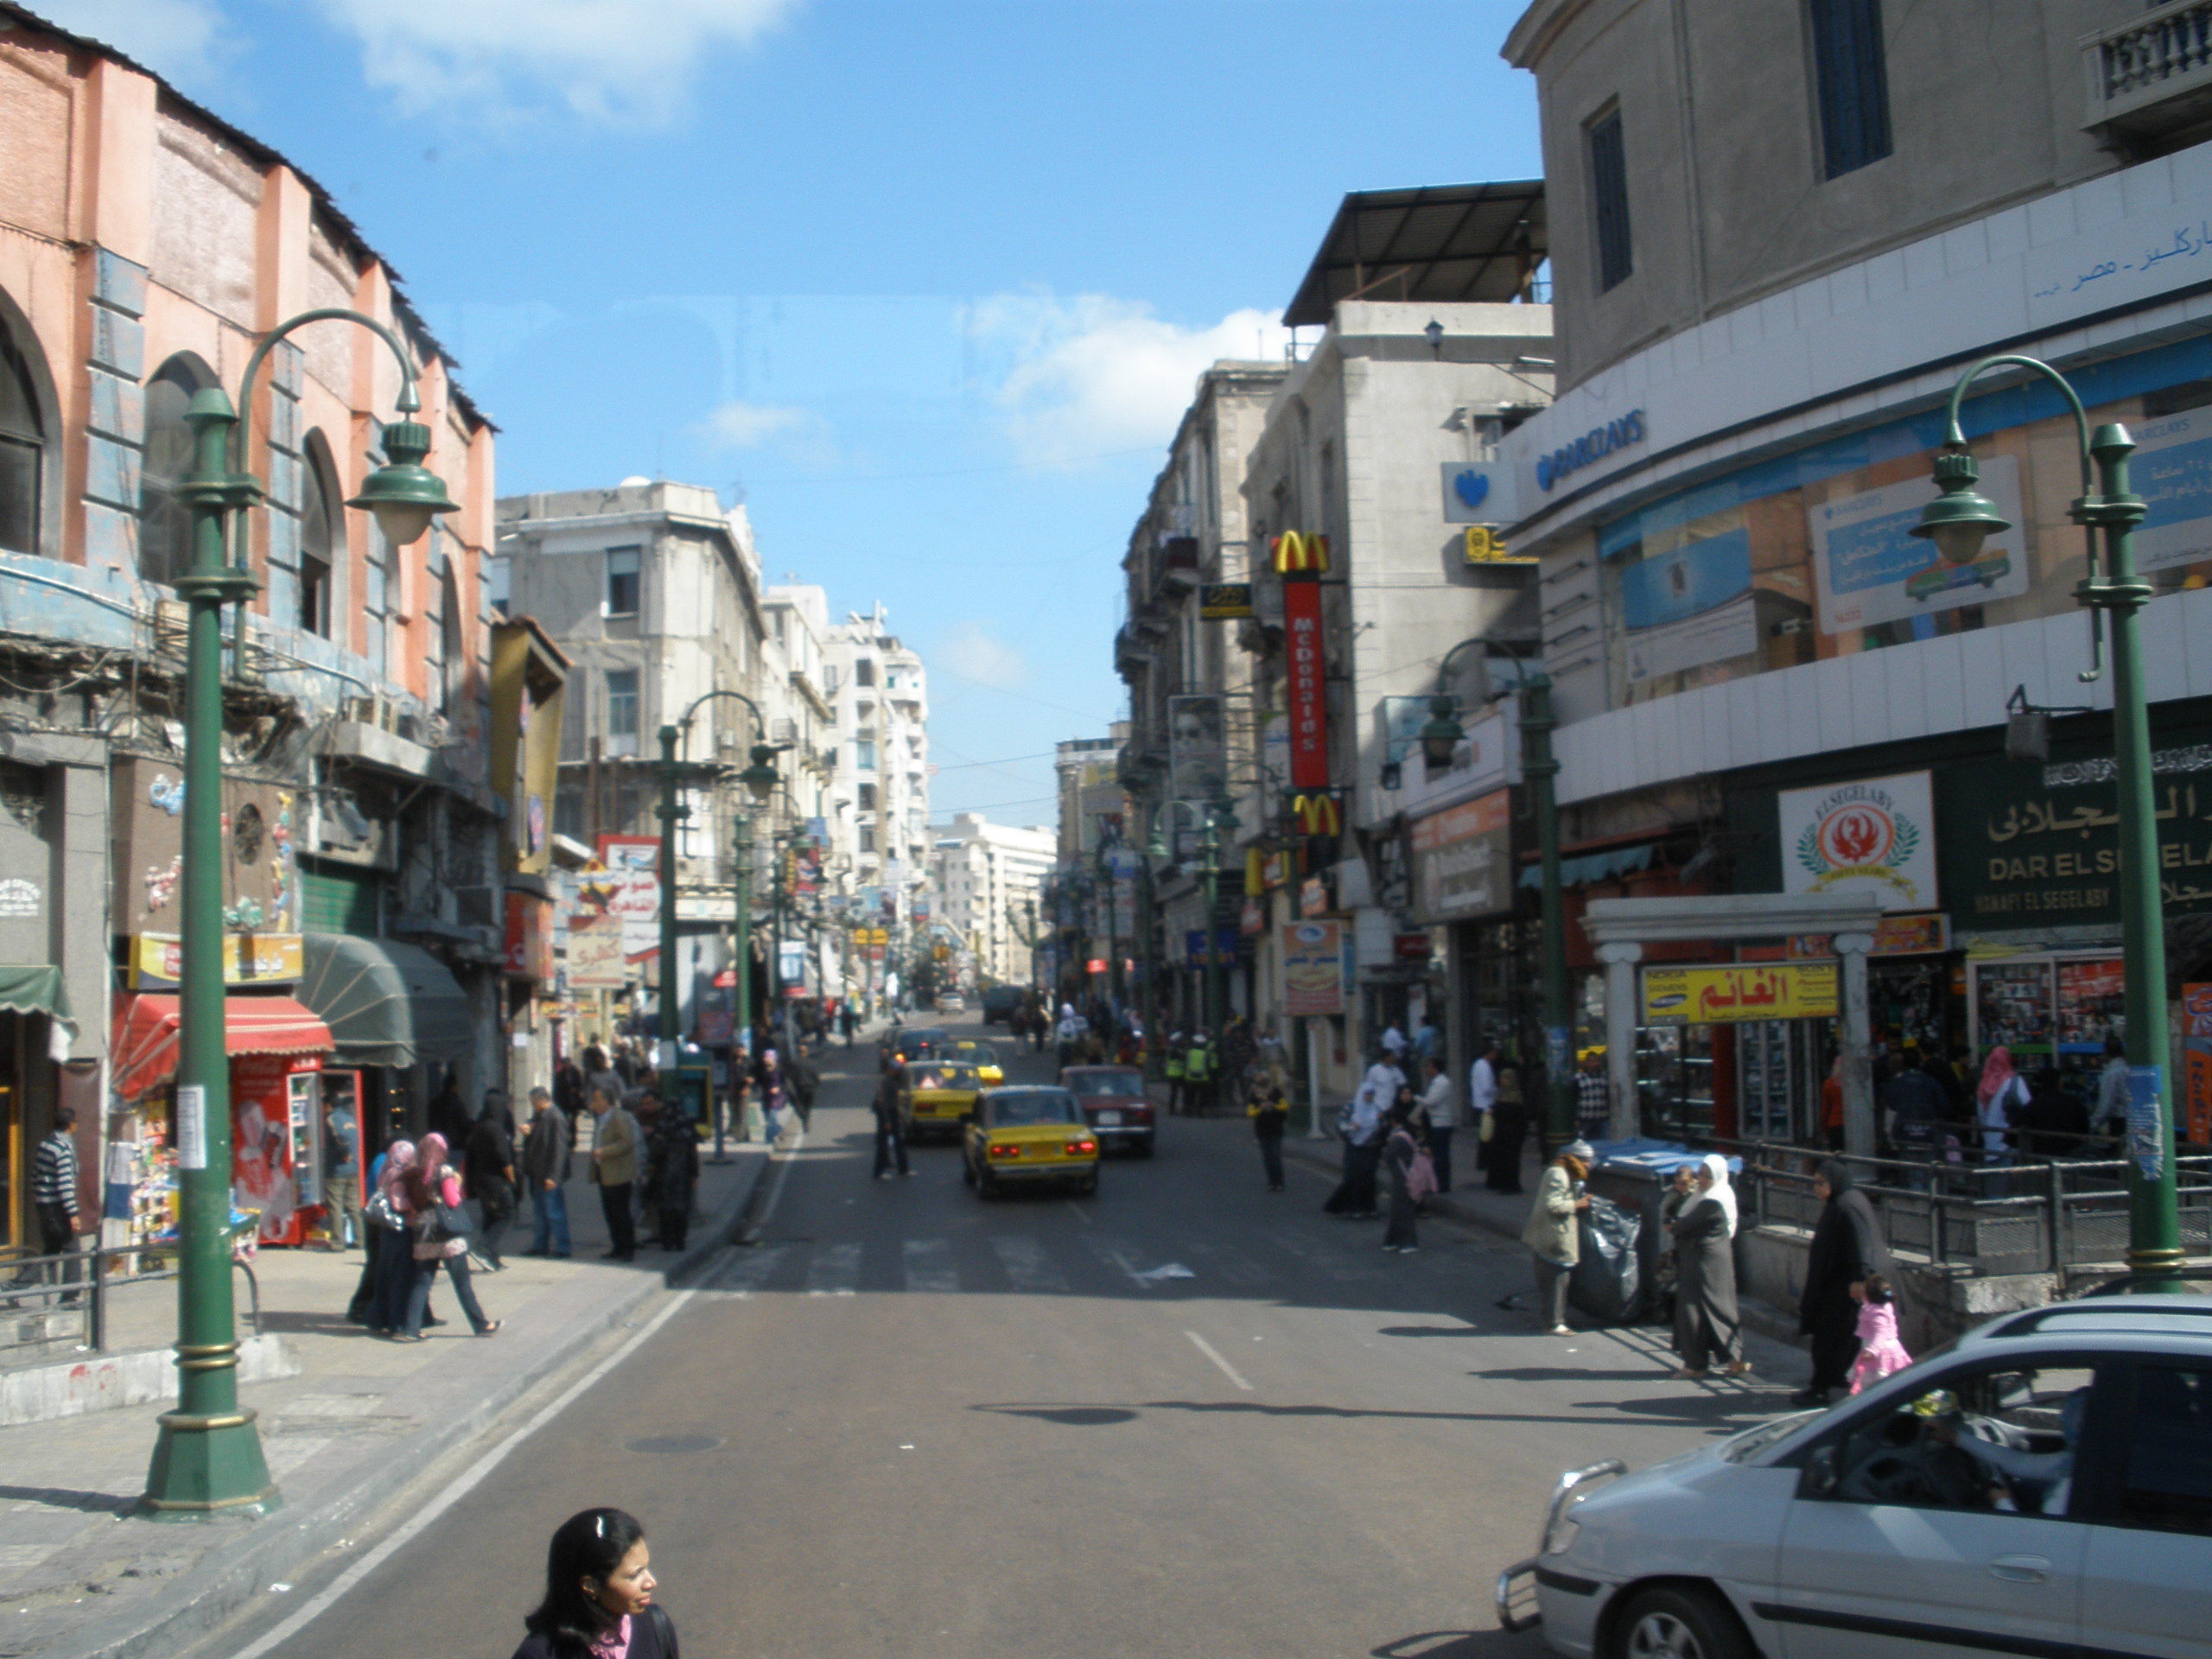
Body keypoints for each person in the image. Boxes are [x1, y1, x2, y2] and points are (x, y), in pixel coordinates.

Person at [512, 1507, 677, 1659]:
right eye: (635, 1575)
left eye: (646, 1568)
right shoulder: (540, 1654)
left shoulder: (655, 1626)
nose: (651, 1582)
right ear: (590, 1586)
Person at [1794, 1157, 1892, 1407]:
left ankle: (1820, 1389)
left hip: (1844, 1289)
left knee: (1828, 1340)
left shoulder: (1847, 1206)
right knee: (1843, 1339)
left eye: (1821, 1183)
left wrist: (1860, 1278)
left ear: (1835, 1181)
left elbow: (1861, 1244)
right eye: (1814, 1183)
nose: (1816, 1188)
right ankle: (1837, 1378)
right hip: (1838, 1285)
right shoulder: (1842, 1202)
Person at [399, 1132, 500, 1340]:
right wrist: (457, 1183)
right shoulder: (443, 1171)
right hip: (448, 1235)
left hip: (424, 1234)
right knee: (463, 1284)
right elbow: (453, 1201)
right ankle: (481, 1324)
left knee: (422, 1283)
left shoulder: (413, 1173)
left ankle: (411, 1328)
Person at [1672, 1153, 1747, 1378]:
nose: (1701, 1180)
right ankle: (1735, 1359)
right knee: (1720, 1308)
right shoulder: (1715, 1195)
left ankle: (1696, 1365)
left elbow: (1683, 1225)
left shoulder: (1712, 1201)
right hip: (1711, 1261)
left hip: (1704, 1263)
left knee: (1695, 1310)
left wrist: (1675, 1226)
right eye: (1700, 1174)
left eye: (1707, 1176)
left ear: (1718, 1176)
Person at [1522, 1140, 1592, 1335]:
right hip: (1553, 1235)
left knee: (1556, 1279)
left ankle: (1555, 1318)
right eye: (1587, 1161)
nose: (1589, 1166)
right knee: (1557, 1280)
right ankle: (1554, 1323)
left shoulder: (1567, 1173)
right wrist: (1577, 1204)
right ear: (1579, 1159)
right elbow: (1553, 1205)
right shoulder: (1558, 1174)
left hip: (1553, 1235)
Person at [362, 1139, 421, 1334]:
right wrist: (417, 1202)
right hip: (399, 1230)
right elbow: (397, 1204)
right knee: (399, 1277)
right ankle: (397, 1323)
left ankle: (379, 1319)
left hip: (387, 1231)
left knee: (386, 1275)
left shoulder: (385, 1170)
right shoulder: (398, 1174)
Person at [1323, 1062, 1393, 1217]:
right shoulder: (1351, 1107)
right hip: (1354, 1148)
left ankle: (1367, 1207)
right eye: (1367, 1094)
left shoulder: (1376, 1109)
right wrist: (1351, 1127)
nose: (1369, 1097)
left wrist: (1382, 1122)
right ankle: (1351, 1207)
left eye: (1372, 1094)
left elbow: (1385, 1127)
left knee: (1368, 1179)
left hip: (1370, 1148)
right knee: (1352, 1179)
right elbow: (1339, 1123)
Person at [32, 1107, 80, 1304]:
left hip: (44, 1205)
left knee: (51, 1249)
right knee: (73, 1249)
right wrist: (73, 1213)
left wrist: (40, 1198)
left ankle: (18, 1284)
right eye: (75, 1122)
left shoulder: (45, 1144)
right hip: (57, 1207)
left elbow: (35, 1175)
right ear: (70, 1125)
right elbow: (65, 1185)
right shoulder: (63, 1150)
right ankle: (70, 1295)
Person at [465, 1094, 518, 1272]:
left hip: (480, 1180)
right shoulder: (496, 1129)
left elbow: (470, 1156)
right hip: (496, 1180)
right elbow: (504, 1157)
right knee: (506, 1214)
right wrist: (512, 1178)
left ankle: (491, 1258)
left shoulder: (479, 1128)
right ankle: (483, 1247)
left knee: (491, 1216)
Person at [588, 1085, 640, 1262]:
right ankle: (617, 1246)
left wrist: (604, 1152)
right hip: (604, 1173)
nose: (593, 1103)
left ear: (606, 1101)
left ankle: (628, 1249)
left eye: (596, 1099)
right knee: (610, 1213)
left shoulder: (619, 1117)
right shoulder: (601, 1118)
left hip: (618, 1173)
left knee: (621, 1213)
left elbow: (627, 1142)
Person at [640, 1092, 698, 1251]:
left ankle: (667, 1240)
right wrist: (694, 1175)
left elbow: (656, 1152)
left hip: (663, 1175)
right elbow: (692, 1155)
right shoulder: (687, 1128)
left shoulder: (663, 1127)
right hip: (683, 1175)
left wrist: (651, 1166)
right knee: (681, 1208)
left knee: (665, 1209)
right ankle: (680, 1240)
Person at [522, 1085, 573, 1258]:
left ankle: (563, 1247)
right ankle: (540, 1244)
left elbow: (560, 1150)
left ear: (543, 1100)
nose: (533, 1106)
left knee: (554, 1212)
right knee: (540, 1212)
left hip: (549, 1174)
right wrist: (528, 1129)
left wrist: (554, 1176)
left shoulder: (555, 1118)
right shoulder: (540, 1116)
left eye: (534, 1103)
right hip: (537, 1172)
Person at [1847, 1273, 1912, 1395]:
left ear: (1869, 1295)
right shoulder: (1885, 1305)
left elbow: (1881, 1333)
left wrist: (1872, 1351)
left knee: (1876, 1384)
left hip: (1880, 1352)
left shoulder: (1875, 1311)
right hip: (1888, 1348)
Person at [2014, 1065, 2089, 1159]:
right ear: (2059, 1083)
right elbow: (2084, 1130)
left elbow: (2013, 1136)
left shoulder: (2033, 1106)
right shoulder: (2074, 1103)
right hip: (2070, 1156)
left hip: (2041, 1156)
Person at [1976, 1046, 2029, 1172]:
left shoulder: (1984, 1084)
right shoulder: (2014, 1081)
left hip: (1990, 1140)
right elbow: (2028, 1105)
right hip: (2010, 1139)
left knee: (1994, 1178)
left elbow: (1981, 1114)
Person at [1380, 1103, 1422, 1254]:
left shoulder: (1398, 1138)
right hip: (1407, 1175)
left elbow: (1388, 1156)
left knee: (1402, 1210)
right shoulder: (1406, 1134)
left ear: (1393, 1120)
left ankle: (1408, 1242)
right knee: (1398, 1210)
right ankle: (1394, 1241)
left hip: (1402, 1178)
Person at [1486, 1054, 1531, 1194]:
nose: (1503, 1081)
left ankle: (1511, 1185)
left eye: (1506, 1079)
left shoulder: (1517, 1096)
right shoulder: (1500, 1094)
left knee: (1511, 1160)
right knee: (1501, 1159)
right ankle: (1501, 1183)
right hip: (1500, 1134)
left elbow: (1519, 1117)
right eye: (1502, 1078)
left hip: (1512, 1135)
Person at [1415, 1055, 1457, 1192]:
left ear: (1435, 1068)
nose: (1427, 1069)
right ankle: (1439, 1182)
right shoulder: (1437, 1082)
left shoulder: (1441, 1083)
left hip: (1441, 1123)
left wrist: (1416, 1098)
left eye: (1429, 1067)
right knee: (1439, 1154)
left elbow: (1431, 1101)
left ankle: (1442, 1184)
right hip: (1437, 1122)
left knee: (1440, 1155)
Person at [325, 1093, 361, 1250]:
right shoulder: (350, 1118)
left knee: (335, 1206)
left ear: (329, 1105)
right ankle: (360, 1240)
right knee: (354, 1205)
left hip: (337, 1170)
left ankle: (338, 1243)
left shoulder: (332, 1119)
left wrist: (344, 1153)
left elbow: (341, 1137)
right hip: (353, 1168)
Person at [1248, 1066, 1288, 1192]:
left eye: (1264, 1078)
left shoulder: (1276, 1091)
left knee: (1275, 1156)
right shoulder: (1254, 1093)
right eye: (1260, 1078)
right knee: (1267, 1157)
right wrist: (1260, 1108)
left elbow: (1284, 1106)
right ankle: (1271, 1182)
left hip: (1276, 1127)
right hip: (1262, 1129)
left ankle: (1279, 1182)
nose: (1262, 1080)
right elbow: (1250, 1112)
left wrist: (1273, 1105)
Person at [871, 1063, 911, 1179]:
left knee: (899, 1141)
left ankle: (903, 1170)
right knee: (883, 1144)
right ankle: (878, 1172)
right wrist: (887, 1121)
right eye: (896, 1070)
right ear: (890, 1069)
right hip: (885, 1114)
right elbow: (883, 1103)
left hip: (893, 1112)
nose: (897, 1072)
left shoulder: (894, 1080)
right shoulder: (886, 1081)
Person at [426, 1071, 473, 1163]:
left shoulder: (435, 1103)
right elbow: (464, 1124)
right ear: (454, 1086)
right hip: (455, 1146)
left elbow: (431, 1123)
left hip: (438, 1144)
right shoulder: (457, 1103)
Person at [2094, 1035, 2131, 1145]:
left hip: (2120, 1122)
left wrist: (2094, 1124)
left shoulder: (2111, 1073)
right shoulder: (2128, 1068)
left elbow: (2106, 1104)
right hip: (2134, 1119)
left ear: (2106, 1053)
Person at [1469, 1041, 1500, 1165]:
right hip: (1485, 1104)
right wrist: (1496, 1091)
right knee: (1487, 1133)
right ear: (1490, 1053)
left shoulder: (1477, 1065)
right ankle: (1485, 1160)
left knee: (1484, 1133)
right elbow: (1487, 1088)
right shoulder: (1485, 1066)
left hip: (1479, 1102)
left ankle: (1483, 1160)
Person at [1574, 1047, 1610, 1142]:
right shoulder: (1579, 1078)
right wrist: (1576, 1118)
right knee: (1584, 1143)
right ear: (1586, 1063)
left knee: (1604, 1143)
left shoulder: (1605, 1077)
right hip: (1585, 1118)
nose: (1595, 1064)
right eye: (1592, 1061)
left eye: (1597, 1061)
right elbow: (1574, 1099)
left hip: (1602, 1118)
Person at [787, 1042, 820, 1131]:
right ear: (807, 1052)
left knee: (799, 1105)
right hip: (811, 1088)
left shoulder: (794, 1063)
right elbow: (816, 1076)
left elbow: (791, 1076)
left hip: (800, 1087)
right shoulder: (812, 1063)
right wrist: (816, 1086)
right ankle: (806, 1120)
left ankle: (804, 1119)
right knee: (807, 1106)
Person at [1819, 1057, 1846, 1152]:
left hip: (1834, 1124)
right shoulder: (1852, 1084)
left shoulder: (1828, 1084)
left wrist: (1823, 1128)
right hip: (1852, 1124)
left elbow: (1825, 1109)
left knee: (1836, 1154)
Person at [1163, 1033, 1186, 1116]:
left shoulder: (1170, 1049)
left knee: (1174, 1093)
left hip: (1172, 1074)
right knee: (1183, 1092)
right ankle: (1183, 1109)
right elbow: (1183, 1058)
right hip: (1179, 1074)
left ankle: (1172, 1109)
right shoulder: (1177, 1050)